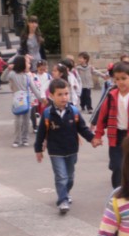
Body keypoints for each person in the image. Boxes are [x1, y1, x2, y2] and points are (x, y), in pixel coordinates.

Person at [34, 78, 95, 215]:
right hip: (55, 151)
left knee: (70, 177)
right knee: (61, 176)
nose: (64, 97)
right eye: (60, 94)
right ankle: (62, 200)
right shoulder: (47, 113)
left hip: (72, 150)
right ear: (51, 96)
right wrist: (38, 149)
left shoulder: (74, 111)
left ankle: (66, 193)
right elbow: (41, 133)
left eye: (66, 94)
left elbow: (83, 129)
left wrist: (92, 139)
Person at [92, 61, 129, 188]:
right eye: (117, 79)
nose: (121, 82)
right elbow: (102, 117)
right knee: (117, 167)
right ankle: (118, 193)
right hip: (116, 136)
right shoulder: (111, 96)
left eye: (124, 78)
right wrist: (98, 135)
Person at [2, 55, 43, 148]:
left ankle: (21, 140)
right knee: (22, 121)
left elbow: (34, 89)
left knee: (22, 121)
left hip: (21, 100)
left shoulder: (24, 76)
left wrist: (41, 99)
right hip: (24, 100)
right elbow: (3, 78)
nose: (27, 64)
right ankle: (21, 139)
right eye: (26, 63)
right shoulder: (15, 74)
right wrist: (8, 69)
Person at [30, 60, 50, 133]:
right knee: (34, 111)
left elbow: (46, 86)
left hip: (45, 95)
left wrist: (44, 96)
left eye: (44, 69)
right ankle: (35, 125)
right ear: (37, 68)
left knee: (43, 111)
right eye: (40, 69)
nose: (42, 71)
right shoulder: (33, 76)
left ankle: (44, 125)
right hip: (35, 96)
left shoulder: (48, 76)